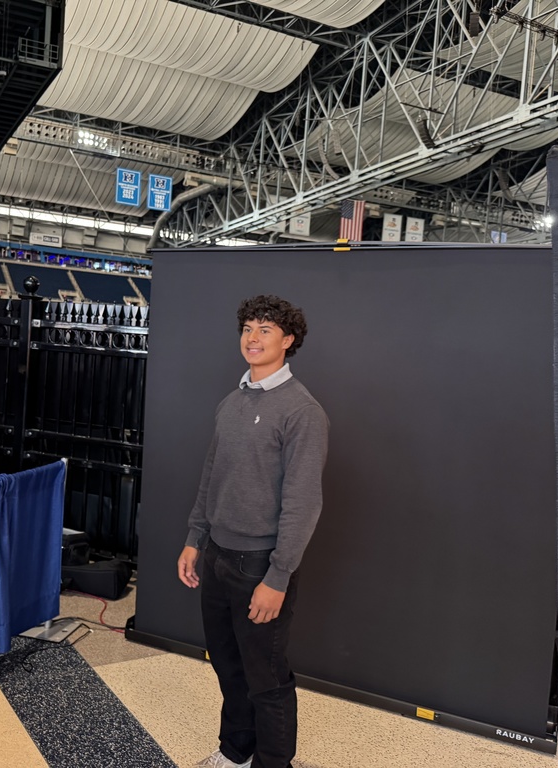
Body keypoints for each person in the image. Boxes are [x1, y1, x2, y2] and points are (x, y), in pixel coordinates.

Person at [178, 295, 330, 768]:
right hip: (218, 555)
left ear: (288, 341)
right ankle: (235, 751)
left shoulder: (302, 412)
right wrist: (193, 538)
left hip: (259, 565)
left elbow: (304, 504)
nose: (253, 337)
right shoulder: (232, 401)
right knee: (228, 666)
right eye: (247, 327)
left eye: (266, 329)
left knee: (267, 678)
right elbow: (211, 475)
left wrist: (278, 577)